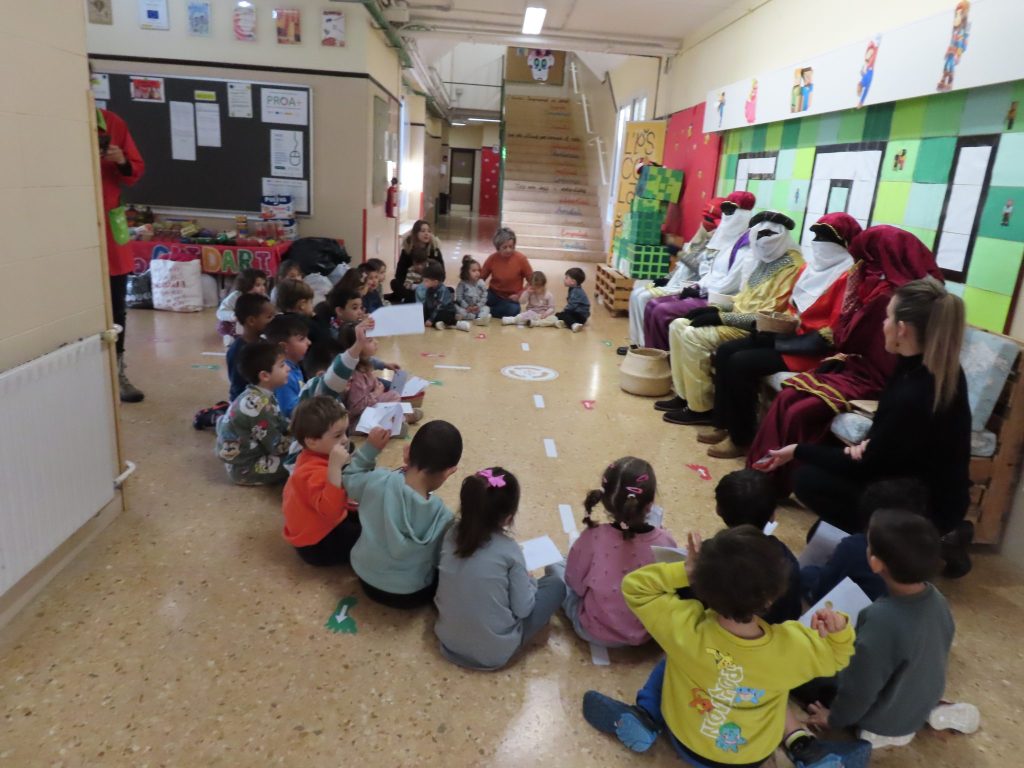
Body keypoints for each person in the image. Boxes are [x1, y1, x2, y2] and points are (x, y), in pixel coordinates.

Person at [581, 526, 863, 768]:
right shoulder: (793, 648)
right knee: (777, 693)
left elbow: (635, 586)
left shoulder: (683, 628)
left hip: (686, 743)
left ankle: (645, 715)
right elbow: (839, 658)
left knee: (670, 661)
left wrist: (686, 571)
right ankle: (804, 747)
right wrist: (839, 632)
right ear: (772, 597)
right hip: (751, 758)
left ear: (702, 587)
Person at [757, 277, 973, 576]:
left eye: (887, 317)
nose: (883, 324)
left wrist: (797, 450)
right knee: (823, 529)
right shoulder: (929, 367)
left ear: (902, 329)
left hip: (920, 502)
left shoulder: (915, 392)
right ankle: (935, 538)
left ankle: (928, 541)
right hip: (910, 481)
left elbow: (869, 467)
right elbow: (898, 440)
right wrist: (871, 443)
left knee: (807, 481)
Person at [745, 226, 944, 493]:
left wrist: (852, 293)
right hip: (857, 367)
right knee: (787, 397)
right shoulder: (882, 291)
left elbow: (846, 337)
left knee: (797, 411)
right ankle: (759, 475)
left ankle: (776, 482)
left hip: (877, 380)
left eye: (865, 259)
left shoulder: (892, 299)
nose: (859, 266)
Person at [788, 509, 979, 756]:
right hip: (918, 697)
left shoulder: (881, 618)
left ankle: (882, 731)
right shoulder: (937, 599)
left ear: (875, 562)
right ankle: (931, 709)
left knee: (803, 673)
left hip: (882, 721)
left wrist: (834, 718)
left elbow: (859, 687)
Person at [699, 213, 860, 458]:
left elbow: (832, 332)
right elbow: (792, 309)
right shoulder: (809, 269)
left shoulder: (846, 277)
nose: (819, 243)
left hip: (811, 350)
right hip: (788, 336)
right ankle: (723, 423)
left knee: (740, 363)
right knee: (726, 351)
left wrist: (782, 340)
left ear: (845, 243)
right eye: (816, 236)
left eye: (827, 238)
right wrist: (773, 329)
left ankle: (741, 437)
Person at [658, 211, 804, 427]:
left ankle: (701, 408)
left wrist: (721, 317)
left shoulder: (792, 267)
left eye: (769, 235)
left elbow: (767, 316)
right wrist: (716, 308)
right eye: (759, 235)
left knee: (692, 336)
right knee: (677, 325)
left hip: (757, 329)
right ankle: (686, 395)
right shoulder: (765, 258)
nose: (763, 240)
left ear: (782, 236)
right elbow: (742, 299)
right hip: (735, 317)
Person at [434, 468, 566, 670]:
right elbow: (523, 609)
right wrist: (530, 581)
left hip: (448, 641)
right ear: (508, 518)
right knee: (555, 586)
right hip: (495, 653)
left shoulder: (451, 533)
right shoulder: (510, 550)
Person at [344, 420, 463, 609]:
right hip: (410, 594)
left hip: (365, 578)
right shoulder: (443, 517)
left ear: (407, 453)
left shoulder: (377, 480)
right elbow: (439, 560)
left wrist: (370, 450)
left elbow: (349, 478)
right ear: (449, 472)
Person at [563, 458, 677, 648]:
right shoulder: (665, 541)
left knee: (557, 568)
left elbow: (574, 583)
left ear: (607, 501)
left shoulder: (594, 536)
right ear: (649, 506)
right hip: (643, 635)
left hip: (593, 631)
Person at [643, 191, 756, 351]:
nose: (726, 217)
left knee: (660, 310)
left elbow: (727, 284)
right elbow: (708, 271)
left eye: (730, 212)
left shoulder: (745, 246)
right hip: (700, 288)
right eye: (725, 211)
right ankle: (648, 352)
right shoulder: (722, 237)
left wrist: (699, 290)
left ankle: (662, 357)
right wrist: (674, 278)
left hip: (718, 299)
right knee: (650, 304)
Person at [619, 199, 723, 354]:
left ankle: (647, 347)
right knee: (636, 294)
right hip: (676, 281)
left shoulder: (719, 245)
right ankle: (636, 343)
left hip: (690, 285)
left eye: (710, 219)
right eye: (706, 218)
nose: (706, 223)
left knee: (643, 299)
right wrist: (667, 277)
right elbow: (681, 267)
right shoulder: (699, 237)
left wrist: (680, 254)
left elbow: (701, 270)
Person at [800, 478, 927, 606]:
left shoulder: (855, 546)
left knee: (805, 574)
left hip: (846, 610)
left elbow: (821, 589)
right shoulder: (919, 554)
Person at [98, 108, 145, 402]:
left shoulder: (113, 123)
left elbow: (134, 171)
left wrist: (121, 160)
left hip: (109, 228)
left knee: (117, 306)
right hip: (71, 226)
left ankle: (118, 372)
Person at [282, 397, 362, 566]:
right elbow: (331, 512)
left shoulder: (314, 455)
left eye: (345, 432)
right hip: (317, 545)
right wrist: (335, 468)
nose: (345, 440)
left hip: (322, 525)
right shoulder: (311, 471)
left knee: (367, 517)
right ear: (312, 441)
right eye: (338, 435)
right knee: (371, 538)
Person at [715, 469, 801, 623]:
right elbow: (791, 613)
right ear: (773, 515)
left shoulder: (708, 555)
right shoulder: (787, 563)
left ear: (718, 510)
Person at [215, 341, 291, 486]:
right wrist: (300, 441)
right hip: (245, 468)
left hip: (242, 457)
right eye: (282, 365)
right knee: (298, 459)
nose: (288, 368)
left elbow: (279, 421)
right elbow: (276, 446)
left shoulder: (258, 394)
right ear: (265, 376)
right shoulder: (259, 406)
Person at [337, 322, 421, 424]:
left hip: (368, 406)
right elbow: (355, 409)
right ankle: (399, 420)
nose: (376, 342)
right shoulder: (356, 376)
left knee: (393, 394)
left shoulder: (364, 363)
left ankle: (397, 417)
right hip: (357, 420)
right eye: (370, 340)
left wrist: (377, 386)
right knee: (393, 396)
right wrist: (376, 393)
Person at [226, 293, 276, 402]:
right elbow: (237, 387)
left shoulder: (264, 343)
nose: (273, 320)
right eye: (269, 317)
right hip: (247, 404)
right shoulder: (237, 351)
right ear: (251, 321)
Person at [264, 314, 310, 419]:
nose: (309, 342)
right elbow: (289, 411)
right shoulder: (284, 375)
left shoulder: (294, 365)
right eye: (302, 339)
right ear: (283, 346)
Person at [481, 227, 533, 319]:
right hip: (493, 294)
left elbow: (532, 281)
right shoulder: (492, 258)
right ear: (498, 248)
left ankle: (487, 311)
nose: (508, 250)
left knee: (513, 310)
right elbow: (481, 278)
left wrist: (520, 295)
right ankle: (489, 310)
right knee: (478, 299)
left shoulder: (521, 259)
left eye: (511, 247)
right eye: (504, 247)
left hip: (511, 298)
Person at [391, 220, 444, 303]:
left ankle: (410, 299)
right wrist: (408, 284)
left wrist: (428, 284)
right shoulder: (407, 251)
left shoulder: (434, 251)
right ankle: (413, 298)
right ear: (415, 233)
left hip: (428, 285)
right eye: (423, 231)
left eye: (429, 231)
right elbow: (399, 274)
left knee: (448, 290)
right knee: (394, 283)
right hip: (410, 284)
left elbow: (441, 274)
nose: (426, 234)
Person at [216, 268, 268, 346]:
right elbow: (221, 312)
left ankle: (260, 336)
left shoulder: (263, 297)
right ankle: (230, 337)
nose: (262, 288)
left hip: (255, 325)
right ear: (246, 285)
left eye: (263, 284)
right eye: (258, 285)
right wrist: (233, 316)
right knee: (222, 324)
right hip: (238, 325)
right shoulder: (235, 296)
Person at [416, 262, 458, 330]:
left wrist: (431, 319)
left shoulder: (443, 290)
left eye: (426, 281)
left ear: (435, 282)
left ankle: (447, 323)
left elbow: (439, 306)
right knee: (424, 315)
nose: (423, 283)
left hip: (444, 311)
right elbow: (426, 304)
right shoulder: (429, 289)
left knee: (444, 315)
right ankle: (440, 323)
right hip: (433, 311)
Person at [454, 256, 491, 325]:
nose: (477, 273)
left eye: (478, 270)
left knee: (486, 308)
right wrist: (467, 306)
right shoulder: (462, 284)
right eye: (474, 271)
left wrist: (478, 306)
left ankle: (480, 318)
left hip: (478, 308)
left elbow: (484, 296)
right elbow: (459, 297)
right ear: (466, 272)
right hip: (466, 308)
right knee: (455, 307)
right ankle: (472, 317)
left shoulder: (481, 282)